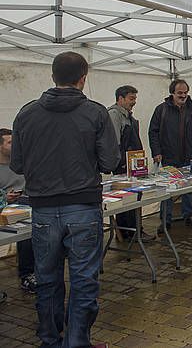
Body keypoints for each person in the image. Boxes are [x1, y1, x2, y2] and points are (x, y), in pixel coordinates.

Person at [10, 51, 120, 347]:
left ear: (52, 76)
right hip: (82, 206)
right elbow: (110, 160)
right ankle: (76, 342)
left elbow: (17, 164)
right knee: (84, 281)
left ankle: (50, 339)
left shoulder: (26, 113)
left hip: (44, 209)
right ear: (83, 78)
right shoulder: (96, 112)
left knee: (46, 279)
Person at [149, 79, 192, 231]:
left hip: (189, 157)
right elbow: (153, 132)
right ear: (172, 93)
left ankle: (189, 216)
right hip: (168, 157)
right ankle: (165, 220)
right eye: (180, 93)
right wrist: (156, 152)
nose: (183, 96)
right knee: (166, 189)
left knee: (189, 188)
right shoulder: (161, 110)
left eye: (185, 93)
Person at [108, 85, 154, 241]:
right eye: (131, 98)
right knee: (127, 200)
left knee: (133, 199)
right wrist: (119, 164)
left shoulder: (129, 116)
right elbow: (114, 142)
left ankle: (132, 231)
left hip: (133, 166)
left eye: (135, 98)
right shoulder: (114, 115)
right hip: (122, 166)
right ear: (120, 99)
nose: (134, 102)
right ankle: (130, 232)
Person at [0, 128, 35, 293]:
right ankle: (27, 274)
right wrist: (4, 197)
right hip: (5, 209)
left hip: (26, 203)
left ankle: (37, 271)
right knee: (26, 230)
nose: (15, 146)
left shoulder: (21, 163)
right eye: (10, 142)